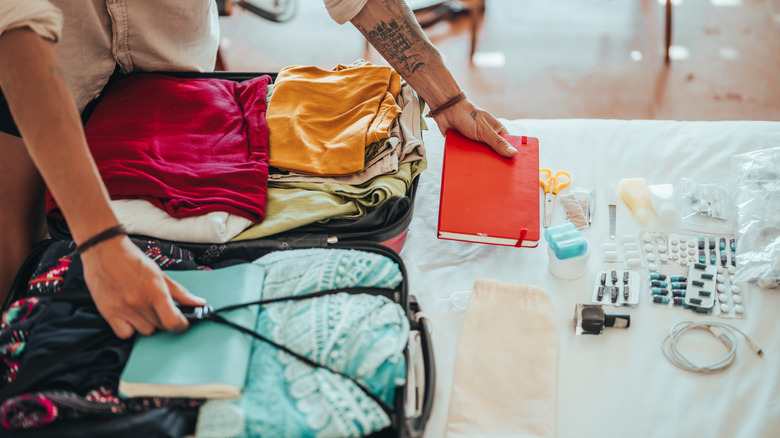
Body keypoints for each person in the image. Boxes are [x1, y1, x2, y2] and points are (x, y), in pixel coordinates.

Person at [0, 0, 517, 339]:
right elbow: (14, 25)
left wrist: (445, 98)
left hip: (172, 71)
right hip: (38, 83)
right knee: (26, 269)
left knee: (187, 265)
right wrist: (97, 241)